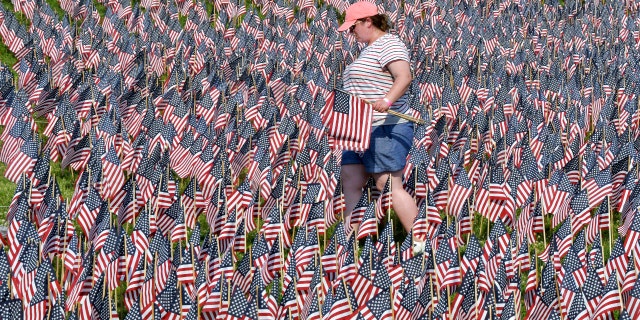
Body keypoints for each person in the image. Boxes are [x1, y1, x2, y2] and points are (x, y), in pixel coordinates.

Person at [337, 1, 424, 254]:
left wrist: (387, 101)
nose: (351, 34)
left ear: (368, 21)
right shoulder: (368, 50)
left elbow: (404, 76)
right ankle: (348, 245)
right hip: (356, 128)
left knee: (387, 183)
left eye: (353, 28)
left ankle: (421, 245)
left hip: (385, 126)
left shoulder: (389, 44)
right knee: (351, 179)